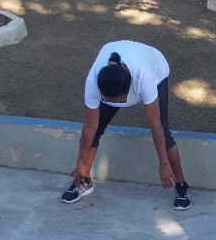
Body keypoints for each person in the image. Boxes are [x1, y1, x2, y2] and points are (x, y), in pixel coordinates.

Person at [61, 39, 191, 212]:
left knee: (164, 134)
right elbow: (89, 127)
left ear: (129, 90)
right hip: (116, 64)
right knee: (96, 130)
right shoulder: (93, 81)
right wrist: (80, 164)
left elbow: (155, 125)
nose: (119, 104)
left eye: (120, 100)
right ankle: (83, 181)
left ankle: (182, 187)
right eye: (110, 100)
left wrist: (163, 163)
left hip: (156, 69)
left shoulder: (144, 77)